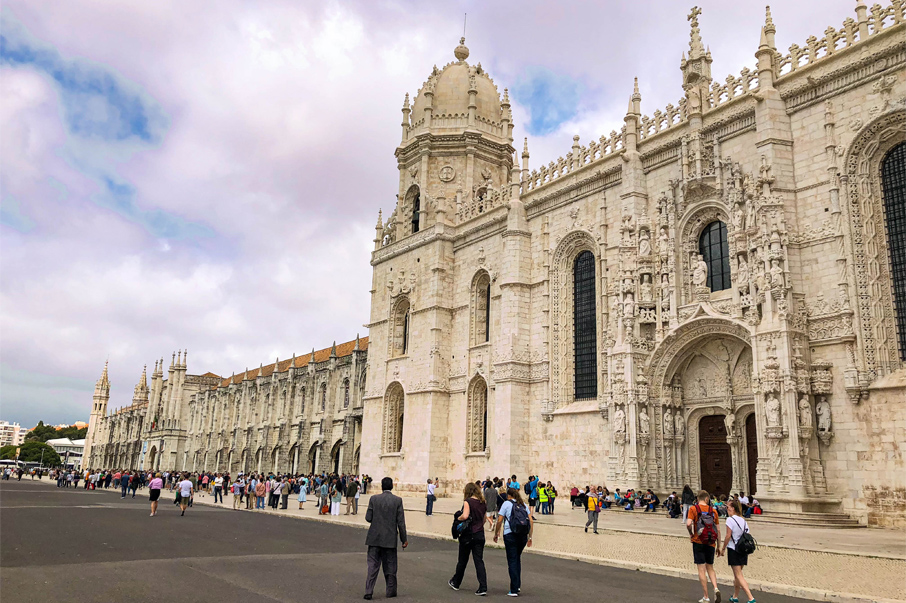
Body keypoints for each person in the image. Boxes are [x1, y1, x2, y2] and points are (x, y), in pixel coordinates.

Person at [363, 477, 408, 600]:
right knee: (391, 566)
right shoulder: (397, 501)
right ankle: (391, 591)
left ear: (381, 486)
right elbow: (401, 523)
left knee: (372, 566)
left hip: (374, 538)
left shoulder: (374, 499)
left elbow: (368, 518)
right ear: (392, 486)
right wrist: (404, 540)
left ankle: (368, 591)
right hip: (389, 539)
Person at [449, 482, 488, 595]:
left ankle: (456, 582)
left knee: (462, 560)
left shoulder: (468, 502)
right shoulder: (483, 502)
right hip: (480, 534)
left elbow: (465, 515)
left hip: (468, 535)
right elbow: (484, 519)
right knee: (479, 561)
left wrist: (458, 518)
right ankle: (483, 587)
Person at [494, 487, 533, 597]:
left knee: (512, 560)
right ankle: (517, 584)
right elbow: (531, 521)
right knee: (517, 559)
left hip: (510, 534)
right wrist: (530, 537)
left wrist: (496, 533)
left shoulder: (506, 504)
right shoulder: (523, 504)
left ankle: (514, 589)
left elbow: (500, 520)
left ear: (508, 495)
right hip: (522, 536)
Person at [686, 489, 722, 603]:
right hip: (711, 542)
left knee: (701, 569)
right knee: (710, 567)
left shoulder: (693, 509)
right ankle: (716, 588)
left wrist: (691, 534)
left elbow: (688, 524)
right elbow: (719, 530)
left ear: (698, 499)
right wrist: (719, 546)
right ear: (707, 499)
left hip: (698, 541)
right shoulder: (713, 511)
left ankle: (706, 597)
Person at [721, 499, 756, 603]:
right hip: (743, 549)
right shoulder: (743, 520)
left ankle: (751, 598)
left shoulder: (730, 520)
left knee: (739, 575)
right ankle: (735, 596)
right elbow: (747, 533)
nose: (727, 509)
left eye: (728, 507)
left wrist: (723, 548)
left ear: (732, 508)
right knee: (737, 574)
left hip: (734, 549)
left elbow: (728, 536)